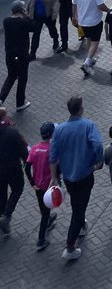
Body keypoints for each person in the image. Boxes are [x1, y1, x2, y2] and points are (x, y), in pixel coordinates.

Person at [49, 95, 104, 262]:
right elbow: (98, 144)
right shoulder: (88, 125)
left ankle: (80, 225)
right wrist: (99, 161)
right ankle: (70, 246)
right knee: (79, 209)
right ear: (80, 109)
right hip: (85, 174)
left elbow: (53, 155)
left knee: (77, 202)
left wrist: (53, 177)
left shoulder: (59, 129)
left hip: (68, 176)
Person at [72, 0, 109, 76]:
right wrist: (109, 11)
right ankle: (87, 62)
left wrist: (74, 16)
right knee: (95, 42)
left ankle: (90, 58)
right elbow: (101, 6)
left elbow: (74, 4)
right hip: (94, 22)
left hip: (82, 22)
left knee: (88, 39)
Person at [25, 119, 55, 249]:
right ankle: (41, 240)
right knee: (45, 213)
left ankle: (48, 220)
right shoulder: (51, 150)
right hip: (48, 186)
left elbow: (26, 168)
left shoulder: (35, 149)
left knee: (44, 208)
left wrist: (32, 183)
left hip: (37, 186)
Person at [0, 106, 28, 239]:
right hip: (12, 168)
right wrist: (26, 160)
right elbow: (23, 149)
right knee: (17, 188)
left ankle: (2, 218)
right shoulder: (11, 132)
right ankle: (6, 215)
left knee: (1, 194)